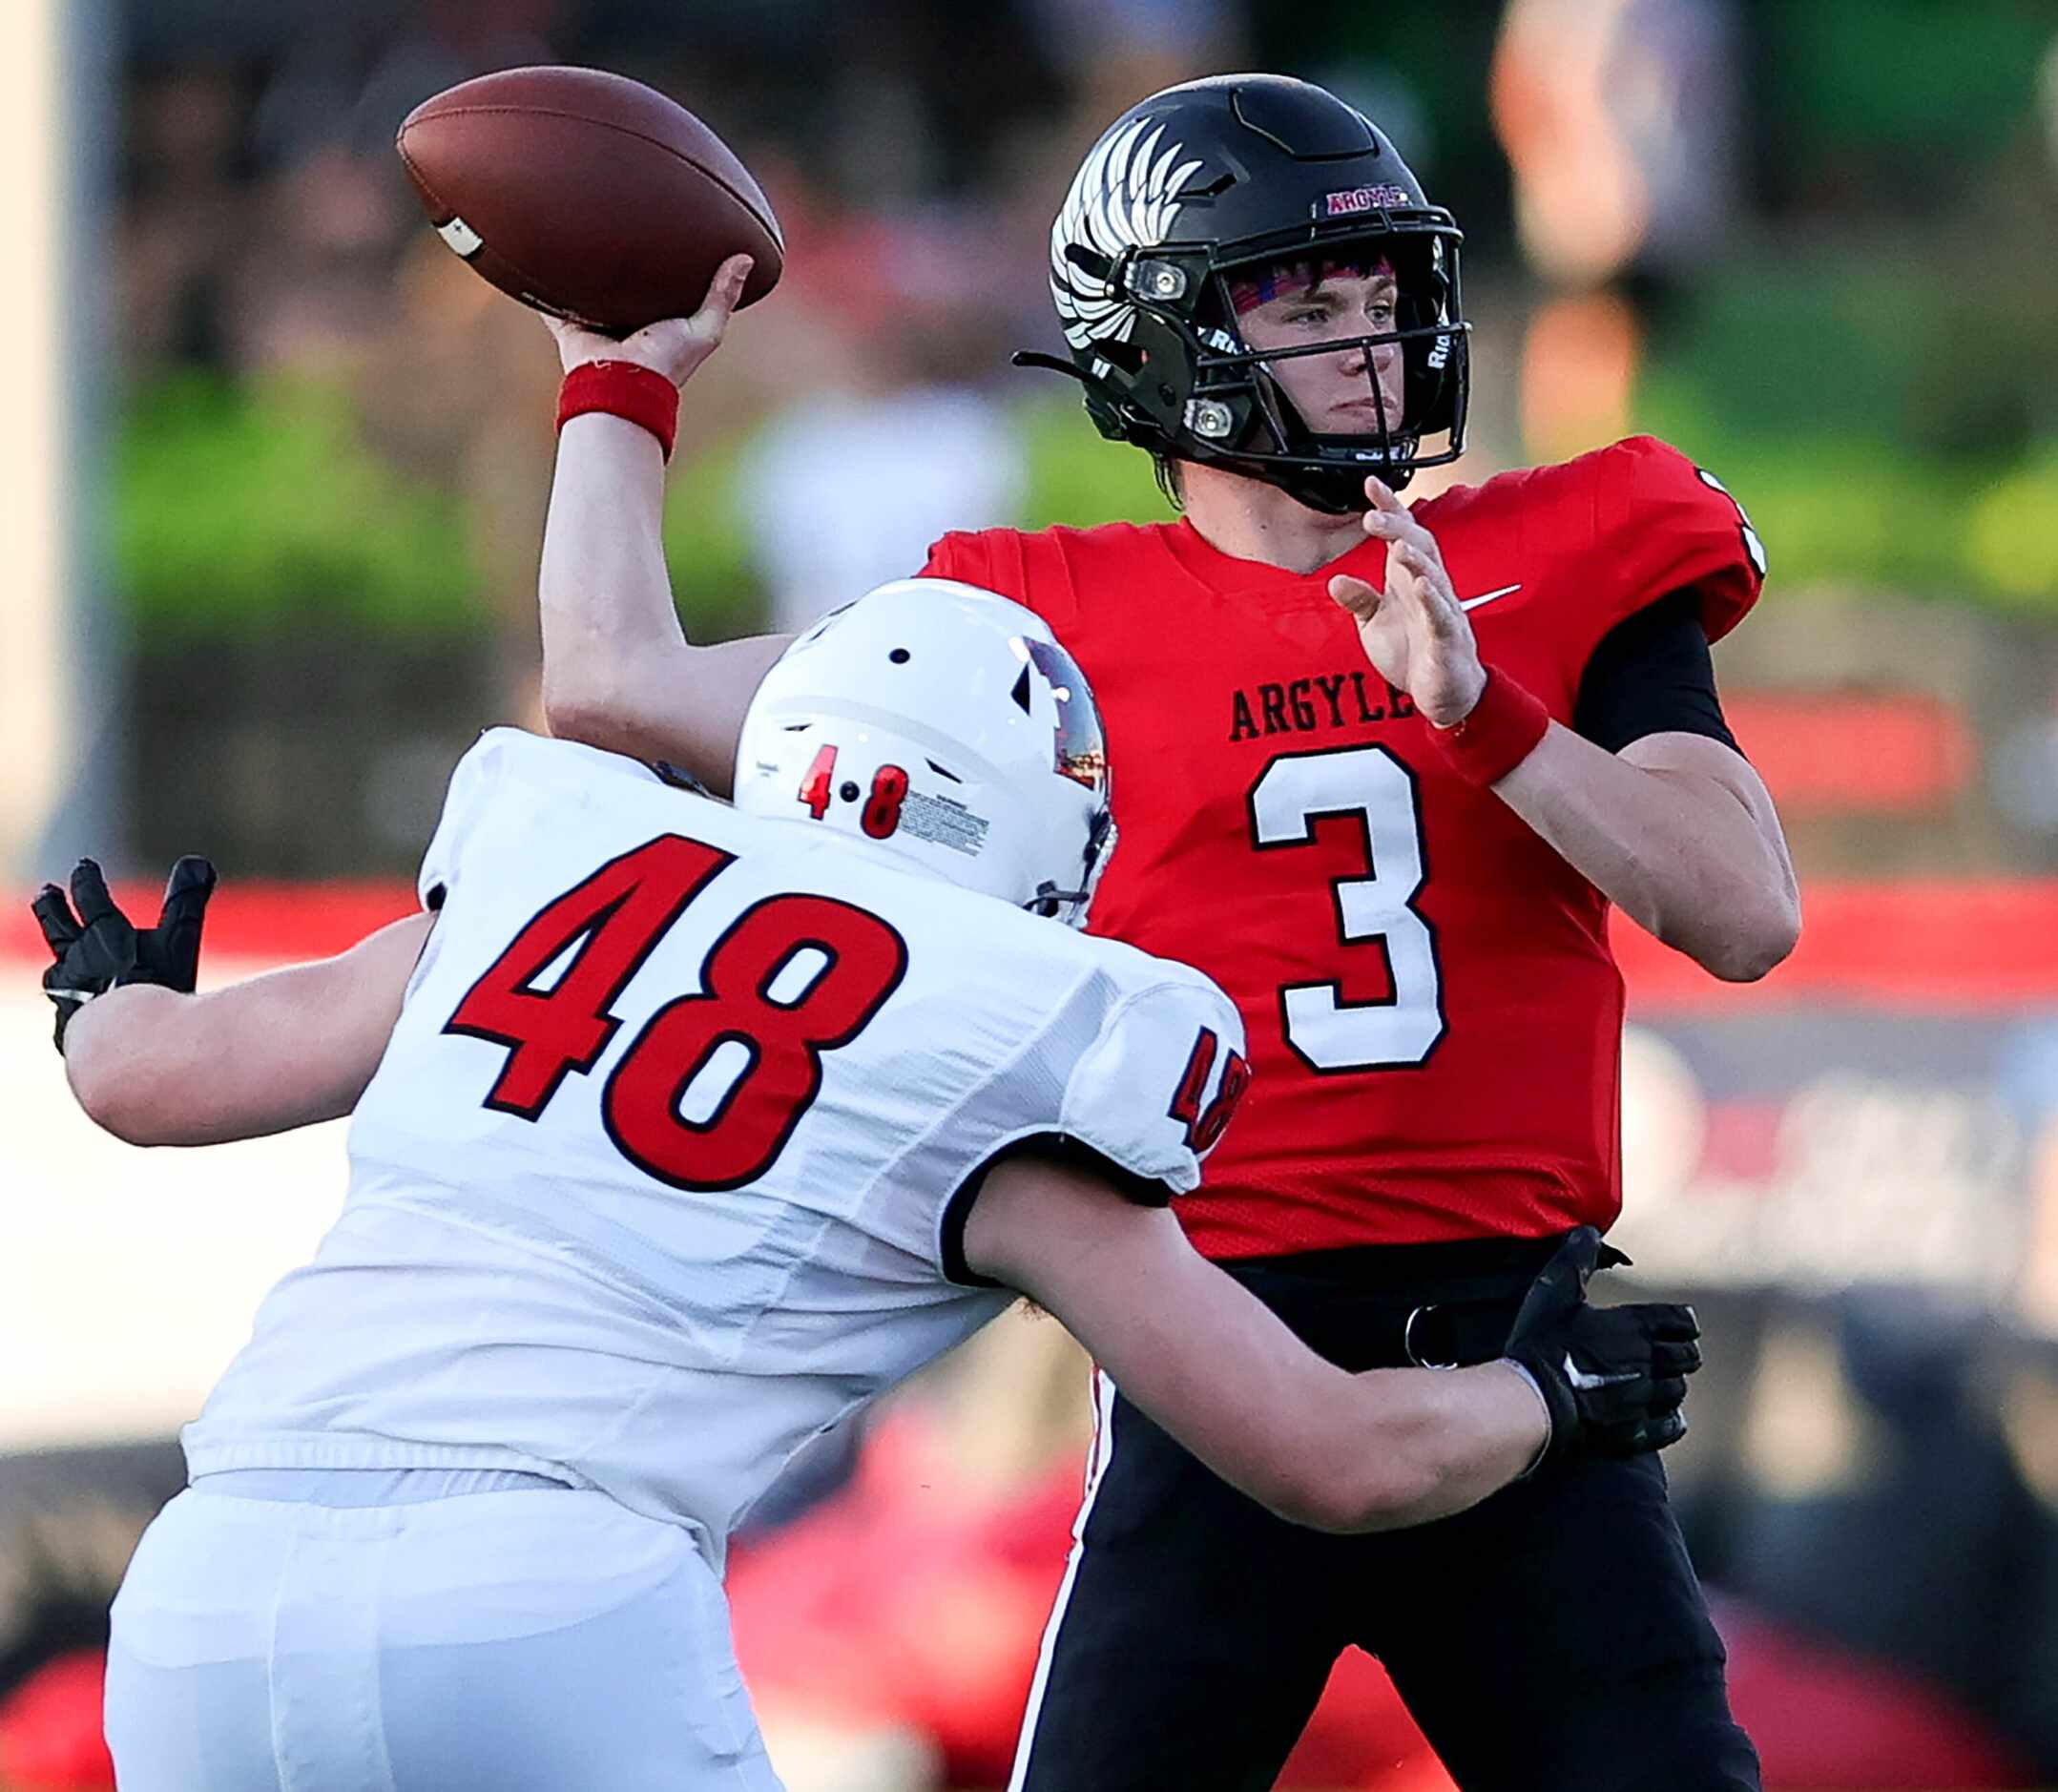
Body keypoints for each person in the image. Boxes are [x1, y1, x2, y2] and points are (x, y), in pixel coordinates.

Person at [530, 72, 1798, 1792]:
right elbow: (615, 691)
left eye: (1381, 297)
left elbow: (1737, 912)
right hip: (1213, 1363)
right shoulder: (1031, 618)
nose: (1367, 345)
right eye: (1306, 305)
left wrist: (1480, 709)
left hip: (1526, 1366)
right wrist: (617, 377)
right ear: (1166, 343)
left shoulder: (1562, 554)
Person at [34, 580, 1698, 1792]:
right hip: (550, 1595)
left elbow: (147, 1081)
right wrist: (1542, 1396)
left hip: (209, 1588)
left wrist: (106, 998)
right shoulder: (1012, 1042)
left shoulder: (539, 876)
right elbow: (1326, 1456)